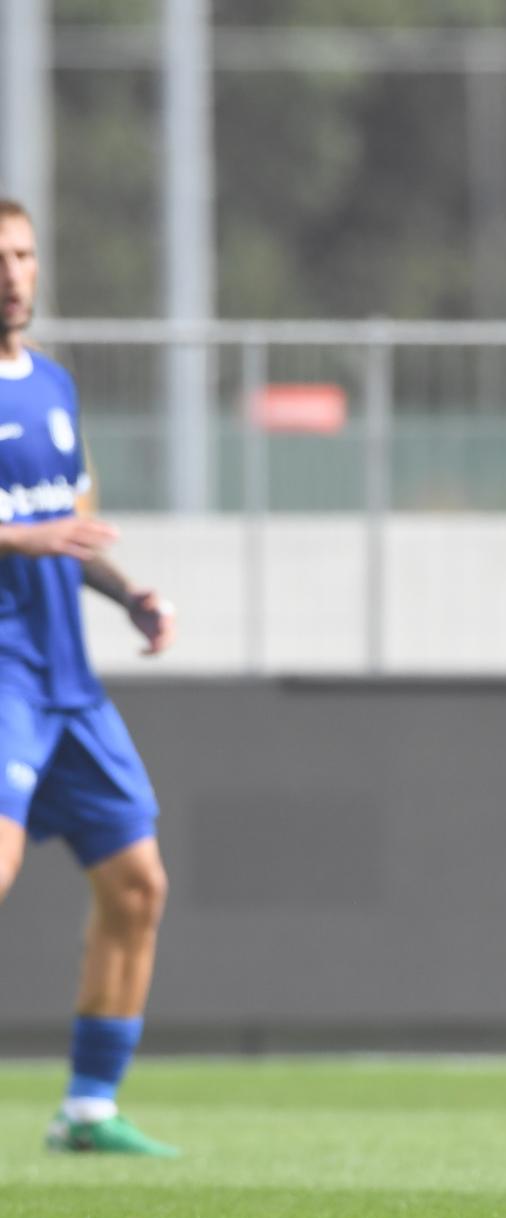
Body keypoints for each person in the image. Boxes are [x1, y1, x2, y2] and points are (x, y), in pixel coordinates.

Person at [0, 199, 179, 1156]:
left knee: (138, 883)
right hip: (1, 678)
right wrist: (21, 535)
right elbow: (33, 529)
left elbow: (72, 528)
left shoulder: (54, 387)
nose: (13, 272)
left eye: (24, 253)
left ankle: (89, 1108)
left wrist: (128, 593)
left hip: (69, 678)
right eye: (0, 257)